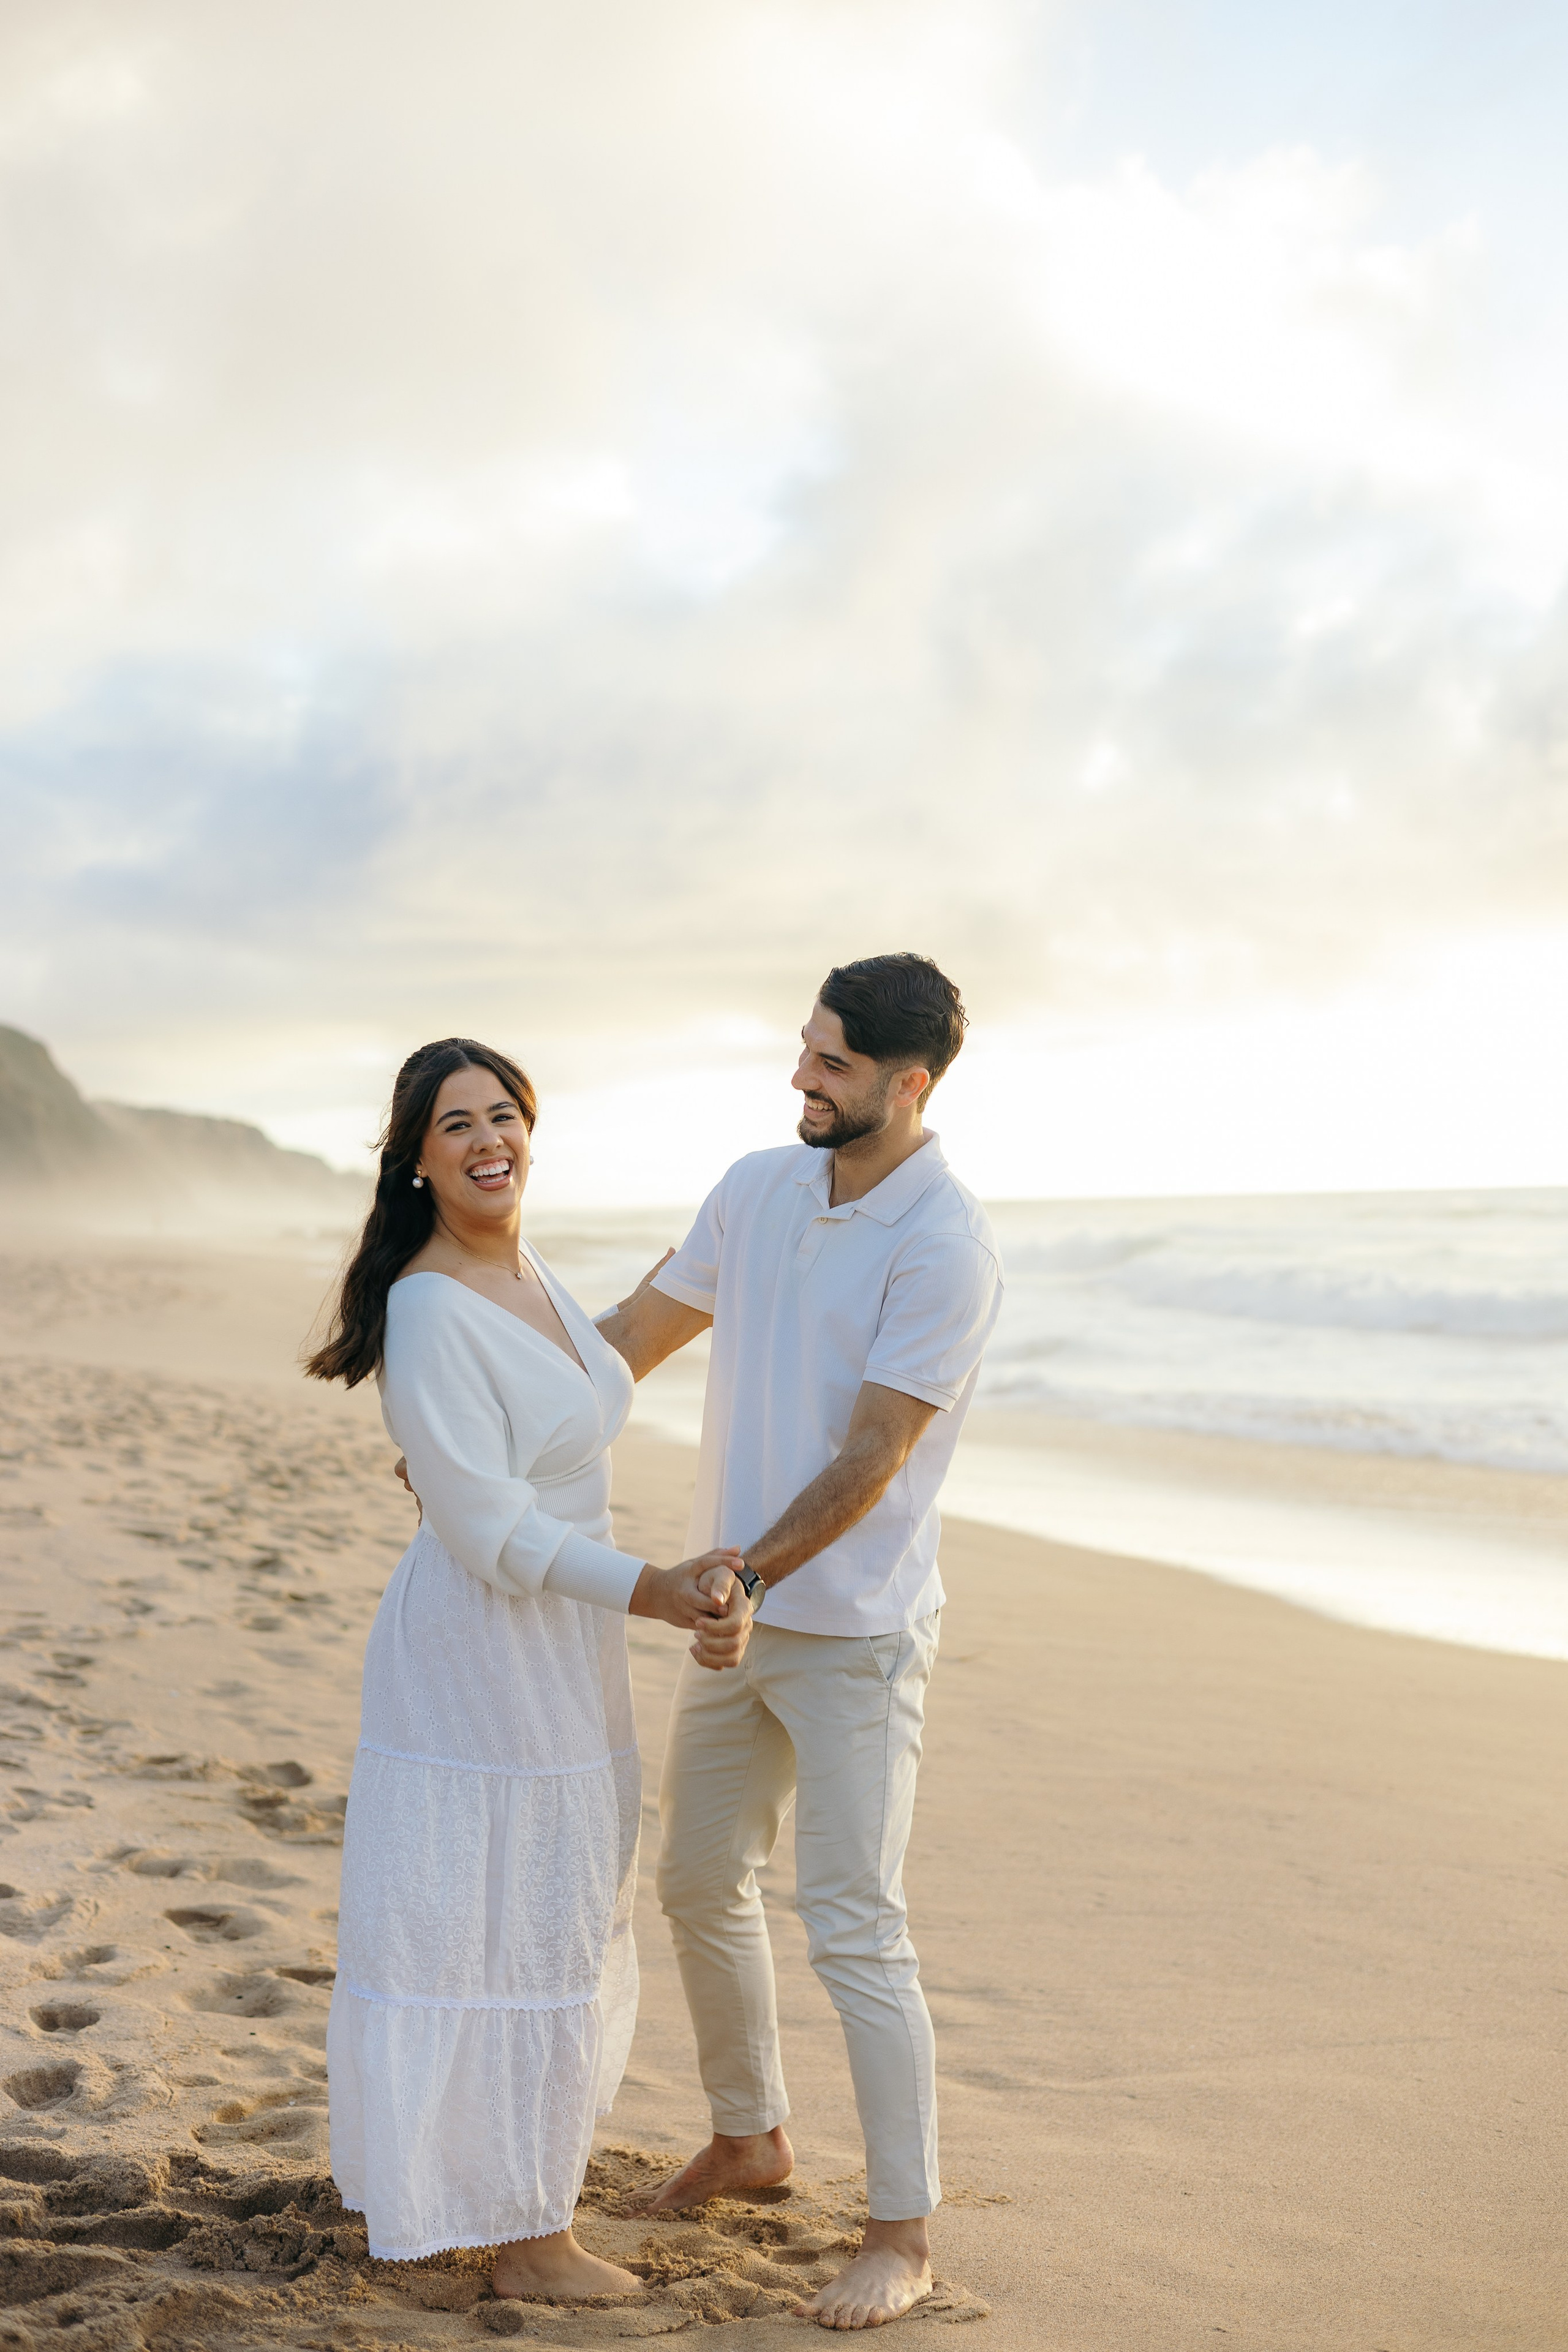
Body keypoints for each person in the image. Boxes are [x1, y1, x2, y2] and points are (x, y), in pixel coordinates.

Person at [305, 1036, 751, 2303]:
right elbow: (490, 1533)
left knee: (550, 1909)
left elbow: (574, 1392)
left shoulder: (530, 1274)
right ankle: (528, 2241)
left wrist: (741, 1226)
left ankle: (492, 2199)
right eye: (457, 1125)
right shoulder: (432, 1303)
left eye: (504, 1114)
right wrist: (653, 1588)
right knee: (505, 1921)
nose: (488, 1140)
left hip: (561, 1642)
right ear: (415, 1161)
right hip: (486, 1644)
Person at [596, 952, 1003, 2331]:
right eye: (803, 1049)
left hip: (850, 1638)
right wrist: (484, 1426)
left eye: (829, 1064)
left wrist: (746, 1575)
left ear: (907, 1084)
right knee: (697, 1879)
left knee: (851, 1925)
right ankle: (751, 2137)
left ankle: (902, 2232)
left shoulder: (943, 1242)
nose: (800, 1079)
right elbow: (631, 1338)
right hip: (739, 1611)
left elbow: (874, 1453)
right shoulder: (755, 1186)